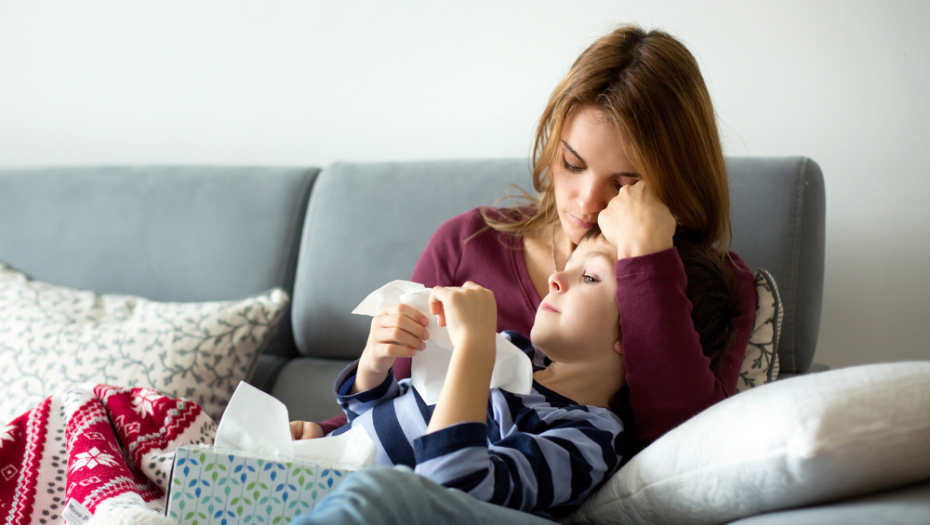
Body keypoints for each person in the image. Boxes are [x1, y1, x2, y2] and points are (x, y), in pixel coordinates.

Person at [307, 25, 756, 459]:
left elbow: (682, 451)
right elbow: (405, 409)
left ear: (670, 181)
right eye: (572, 164)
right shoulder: (468, 244)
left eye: (625, 181)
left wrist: (649, 257)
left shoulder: (711, 287)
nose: (586, 202)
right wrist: (324, 437)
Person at [294, 231, 627, 518]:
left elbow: (448, 491)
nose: (555, 277)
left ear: (635, 329)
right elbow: (388, 419)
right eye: (567, 266)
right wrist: (373, 364)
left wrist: (474, 348)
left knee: (372, 493)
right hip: (316, 476)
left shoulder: (593, 437)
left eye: (590, 277)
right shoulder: (514, 352)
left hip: (370, 502)